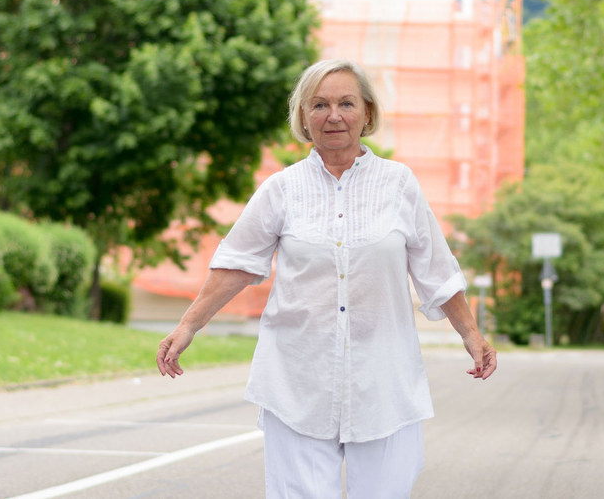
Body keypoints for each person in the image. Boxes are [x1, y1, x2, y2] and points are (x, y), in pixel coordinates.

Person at [156, 58, 497, 498]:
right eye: (318, 105)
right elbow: (237, 264)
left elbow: (436, 270)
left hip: (384, 383)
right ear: (303, 117)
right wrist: (188, 325)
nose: (332, 115)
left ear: (367, 114)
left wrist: (472, 336)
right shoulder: (282, 189)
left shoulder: (399, 184)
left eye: (345, 103)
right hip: (297, 380)